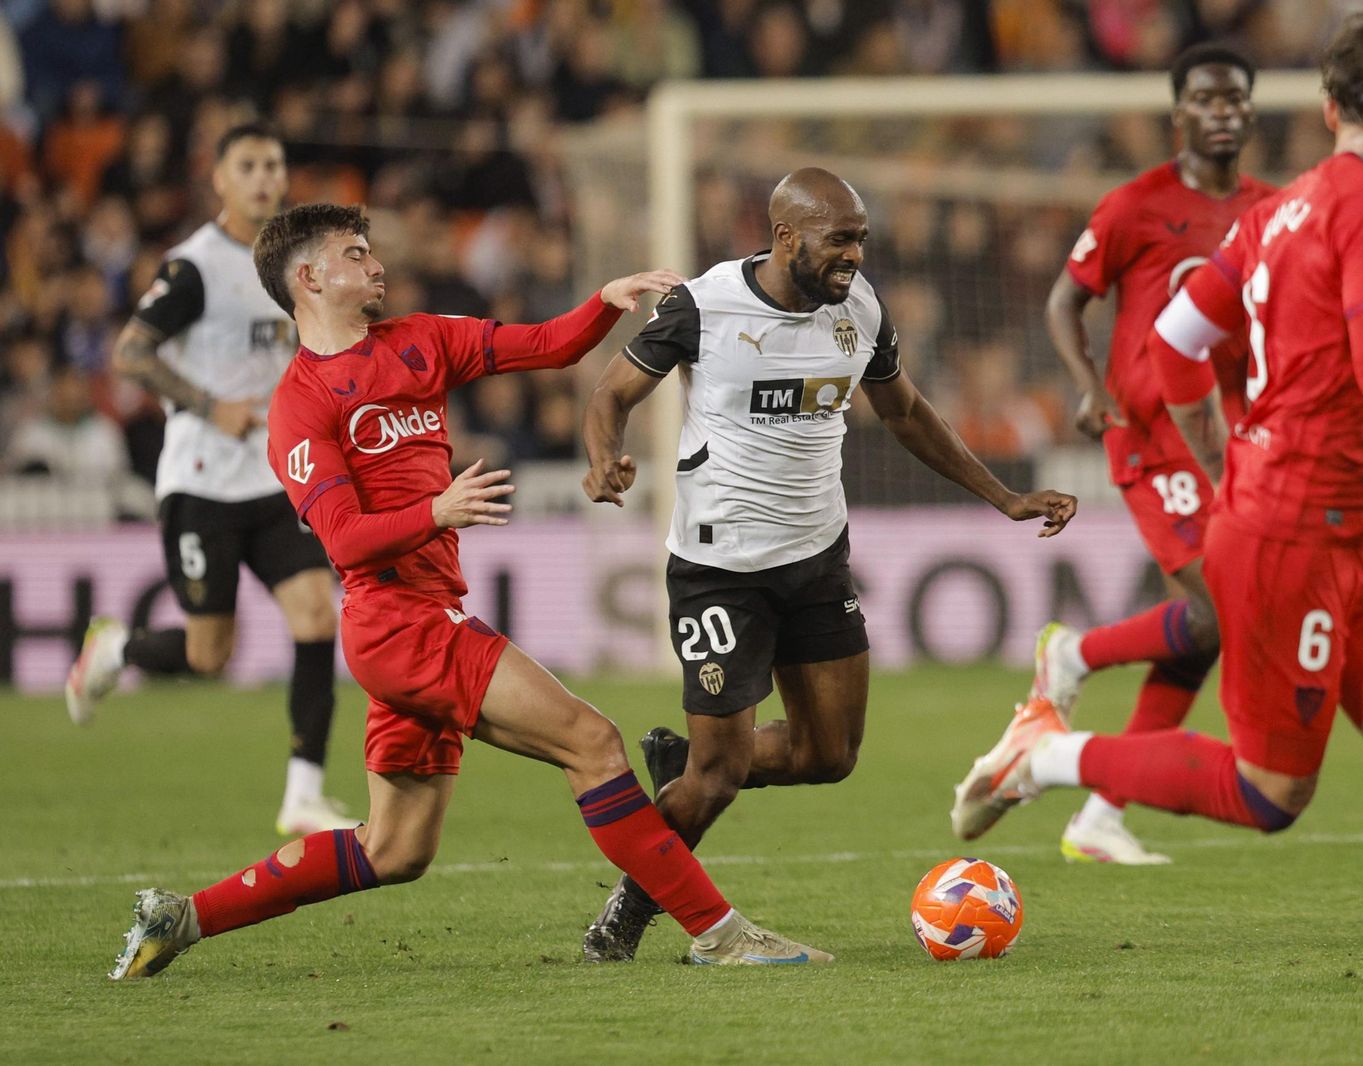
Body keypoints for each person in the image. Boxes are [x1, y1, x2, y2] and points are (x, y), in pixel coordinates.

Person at [950, 7, 1363, 1062]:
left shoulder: (1274, 210)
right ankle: (1047, 756)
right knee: (1269, 793)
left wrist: (1222, 440)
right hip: (1293, 539)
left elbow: (1170, 340)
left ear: (1328, 106)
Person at [108, 203, 830, 980]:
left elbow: (547, 346)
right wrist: (437, 511)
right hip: (399, 623)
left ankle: (182, 918)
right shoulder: (300, 403)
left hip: (418, 621)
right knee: (592, 742)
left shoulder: (421, 340)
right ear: (310, 278)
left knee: (397, 850)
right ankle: (720, 933)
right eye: (356, 253)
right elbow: (342, 538)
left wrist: (605, 300)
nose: (376, 263)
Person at [579, 167, 1078, 962]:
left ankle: (687, 760)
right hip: (720, 570)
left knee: (830, 756)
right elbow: (610, 395)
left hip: (817, 560)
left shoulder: (860, 306)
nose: (854, 256)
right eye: (840, 239)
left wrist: (1003, 496)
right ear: (786, 237)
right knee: (716, 780)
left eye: (861, 240)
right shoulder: (704, 305)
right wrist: (604, 459)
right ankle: (627, 916)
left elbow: (905, 411)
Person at [66, 123, 354, 837]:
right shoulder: (195, 265)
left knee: (318, 616)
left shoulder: (296, 266)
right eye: (248, 166)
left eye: (274, 165)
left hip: (274, 478)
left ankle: (303, 794)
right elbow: (130, 353)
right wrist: (205, 404)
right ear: (220, 180)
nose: (264, 177)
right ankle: (116, 650)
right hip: (200, 481)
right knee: (208, 654)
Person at [1034, 43, 1274, 865]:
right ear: (1179, 112)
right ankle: (1073, 655)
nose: (1222, 111)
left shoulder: (1274, 211)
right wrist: (1088, 381)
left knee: (1209, 630)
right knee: (1224, 610)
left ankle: (1101, 812)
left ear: (1251, 109)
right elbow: (1066, 299)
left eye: (1235, 98)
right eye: (1206, 98)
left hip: (1233, 442)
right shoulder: (1137, 205)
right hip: (1148, 436)